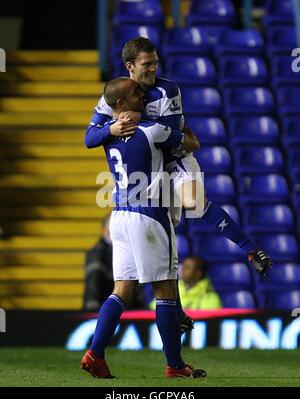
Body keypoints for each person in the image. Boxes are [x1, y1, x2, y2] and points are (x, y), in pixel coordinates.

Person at [85, 37, 272, 280]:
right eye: (147, 64)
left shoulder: (167, 90)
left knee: (194, 202)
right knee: (162, 234)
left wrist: (131, 123)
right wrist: (110, 130)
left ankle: (250, 249)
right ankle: (175, 309)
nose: (153, 68)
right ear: (130, 66)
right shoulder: (112, 96)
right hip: (147, 170)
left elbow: (171, 137)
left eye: (155, 63)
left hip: (174, 160)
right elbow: (89, 138)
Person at [81, 77, 207, 379]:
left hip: (120, 215)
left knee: (122, 290)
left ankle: (95, 354)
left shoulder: (106, 135)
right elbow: (191, 143)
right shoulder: (152, 130)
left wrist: (110, 127)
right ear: (122, 104)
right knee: (165, 290)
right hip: (149, 213)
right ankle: (175, 365)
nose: (143, 94)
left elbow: (89, 138)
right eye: (136, 93)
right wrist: (184, 133)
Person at [83, 215, 146, 311]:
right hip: (104, 310)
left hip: (124, 311)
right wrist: (92, 311)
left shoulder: (129, 251)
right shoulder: (98, 254)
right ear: (104, 230)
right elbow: (93, 284)